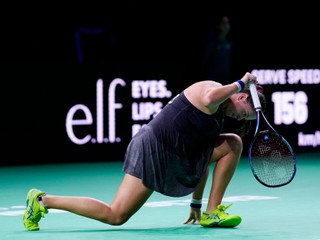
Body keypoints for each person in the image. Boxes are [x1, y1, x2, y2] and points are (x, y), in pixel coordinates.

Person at [23, 72, 266, 231]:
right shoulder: (212, 91)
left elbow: (200, 159)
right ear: (242, 96)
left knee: (233, 142)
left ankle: (212, 212)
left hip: (176, 154)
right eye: (243, 112)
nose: (239, 117)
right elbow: (212, 96)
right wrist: (241, 82)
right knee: (116, 215)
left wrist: (196, 203)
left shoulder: (218, 118)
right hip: (153, 148)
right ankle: (42, 201)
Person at [200, 14, 234, 85]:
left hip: (227, 82)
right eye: (224, 23)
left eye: (227, 23)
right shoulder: (211, 44)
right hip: (212, 82)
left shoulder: (230, 43)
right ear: (219, 26)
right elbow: (205, 64)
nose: (227, 26)